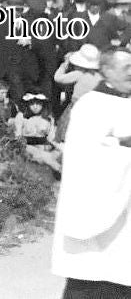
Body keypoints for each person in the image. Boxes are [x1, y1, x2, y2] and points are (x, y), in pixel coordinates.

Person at [51, 48, 131, 297]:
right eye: (126, 68)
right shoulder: (90, 105)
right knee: (92, 279)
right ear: (106, 70)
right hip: (98, 207)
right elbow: (86, 156)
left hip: (126, 210)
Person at [53, 44, 102, 144]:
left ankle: (62, 142)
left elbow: (58, 78)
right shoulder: (100, 76)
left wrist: (64, 65)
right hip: (95, 106)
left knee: (67, 126)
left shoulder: (79, 74)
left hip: (77, 105)